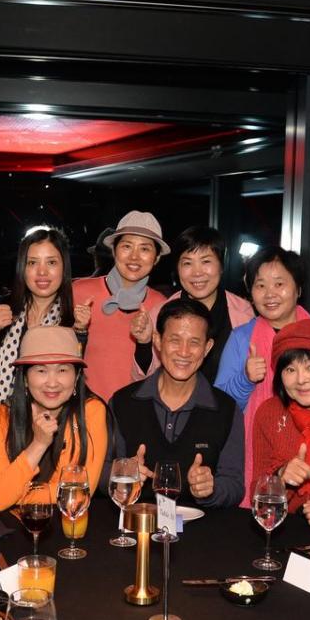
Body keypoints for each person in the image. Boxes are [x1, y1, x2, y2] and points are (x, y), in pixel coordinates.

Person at [215, 246, 310, 505]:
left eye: (279, 284)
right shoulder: (241, 338)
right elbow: (220, 407)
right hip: (262, 450)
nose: (270, 294)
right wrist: (245, 379)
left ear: (298, 288)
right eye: (260, 285)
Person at [108, 299, 244, 509]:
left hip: (203, 527)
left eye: (194, 342)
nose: (184, 352)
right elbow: (101, 471)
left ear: (207, 348)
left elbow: (234, 484)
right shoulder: (123, 402)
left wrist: (211, 489)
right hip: (137, 523)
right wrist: (122, 477)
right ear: (157, 341)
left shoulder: (226, 409)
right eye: (175, 340)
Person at [0, 326, 107, 510]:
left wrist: (19, 495)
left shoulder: (91, 411)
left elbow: (79, 493)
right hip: (4, 524)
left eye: (62, 370)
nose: (52, 383)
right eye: (41, 371)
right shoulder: (1, 417)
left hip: (65, 522)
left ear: (76, 376)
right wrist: (39, 444)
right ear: (25, 378)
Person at [250, 320, 310, 531]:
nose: (301, 380)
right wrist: (280, 478)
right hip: (286, 531)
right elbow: (256, 495)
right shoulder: (270, 413)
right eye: (290, 369)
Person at [0, 227, 76, 415]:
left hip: (49, 425)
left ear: (64, 268)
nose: (42, 272)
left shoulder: (73, 321)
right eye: (32, 262)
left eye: (51, 262)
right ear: (22, 268)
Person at [71, 210, 168, 401]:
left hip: (133, 411)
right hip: (84, 408)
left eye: (145, 249)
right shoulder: (79, 292)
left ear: (156, 258)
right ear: (114, 250)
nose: (134, 257)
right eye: (127, 246)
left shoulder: (161, 306)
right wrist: (78, 330)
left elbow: (158, 373)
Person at [147, 226, 254, 383]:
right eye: (187, 263)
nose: (197, 272)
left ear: (221, 265)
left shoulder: (244, 313)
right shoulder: (159, 314)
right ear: (177, 269)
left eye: (206, 261)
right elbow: (147, 377)